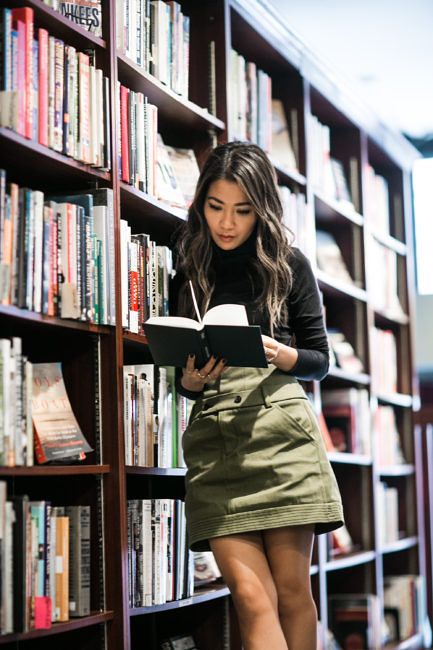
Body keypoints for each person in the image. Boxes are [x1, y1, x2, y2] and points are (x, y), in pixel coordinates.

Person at [169, 141, 344, 650]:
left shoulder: (288, 265)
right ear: (201, 205)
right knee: (248, 595)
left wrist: (280, 353)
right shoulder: (191, 270)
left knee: (291, 593)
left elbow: (319, 358)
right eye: (216, 207)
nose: (227, 223)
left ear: (261, 208)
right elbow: (182, 379)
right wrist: (192, 381)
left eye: (242, 210)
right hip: (215, 439)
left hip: (281, 437)